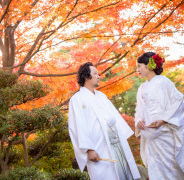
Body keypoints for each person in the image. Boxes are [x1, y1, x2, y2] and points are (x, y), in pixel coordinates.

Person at [68, 62, 141, 180]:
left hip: (116, 142)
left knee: (123, 172)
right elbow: (78, 126)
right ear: (86, 76)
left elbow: (115, 117)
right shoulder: (77, 99)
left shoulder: (101, 95)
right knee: (106, 175)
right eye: (95, 73)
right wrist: (89, 149)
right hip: (98, 147)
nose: (99, 76)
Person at [135, 52, 184, 180]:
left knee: (170, 168)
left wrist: (163, 120)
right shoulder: (141, 88)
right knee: (155, 169)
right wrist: (139, 121)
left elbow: (179, 101)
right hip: (150, 137)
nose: (137, 70)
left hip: (164, 135)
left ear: (149, 66)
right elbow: (139, 109)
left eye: (139, 66)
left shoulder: (164, 82)